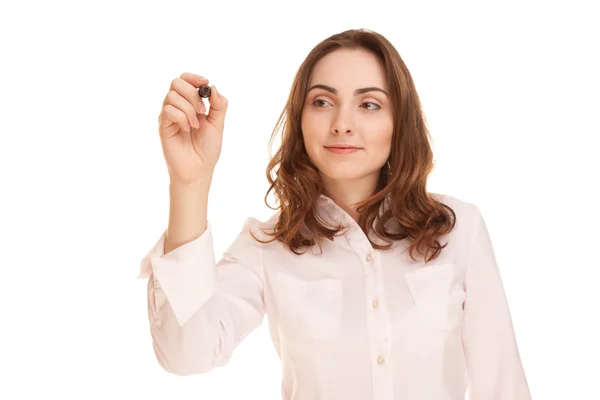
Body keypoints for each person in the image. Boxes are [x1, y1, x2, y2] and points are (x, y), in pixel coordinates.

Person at [137, 28, 531, 400]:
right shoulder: (266, 245)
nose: (342, 124)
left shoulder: (457, 229)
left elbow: (502, 384)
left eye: (369, 104)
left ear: (399, 121)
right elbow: (186, 355)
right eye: (322, 102)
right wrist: (189, 183)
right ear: (300, 119)